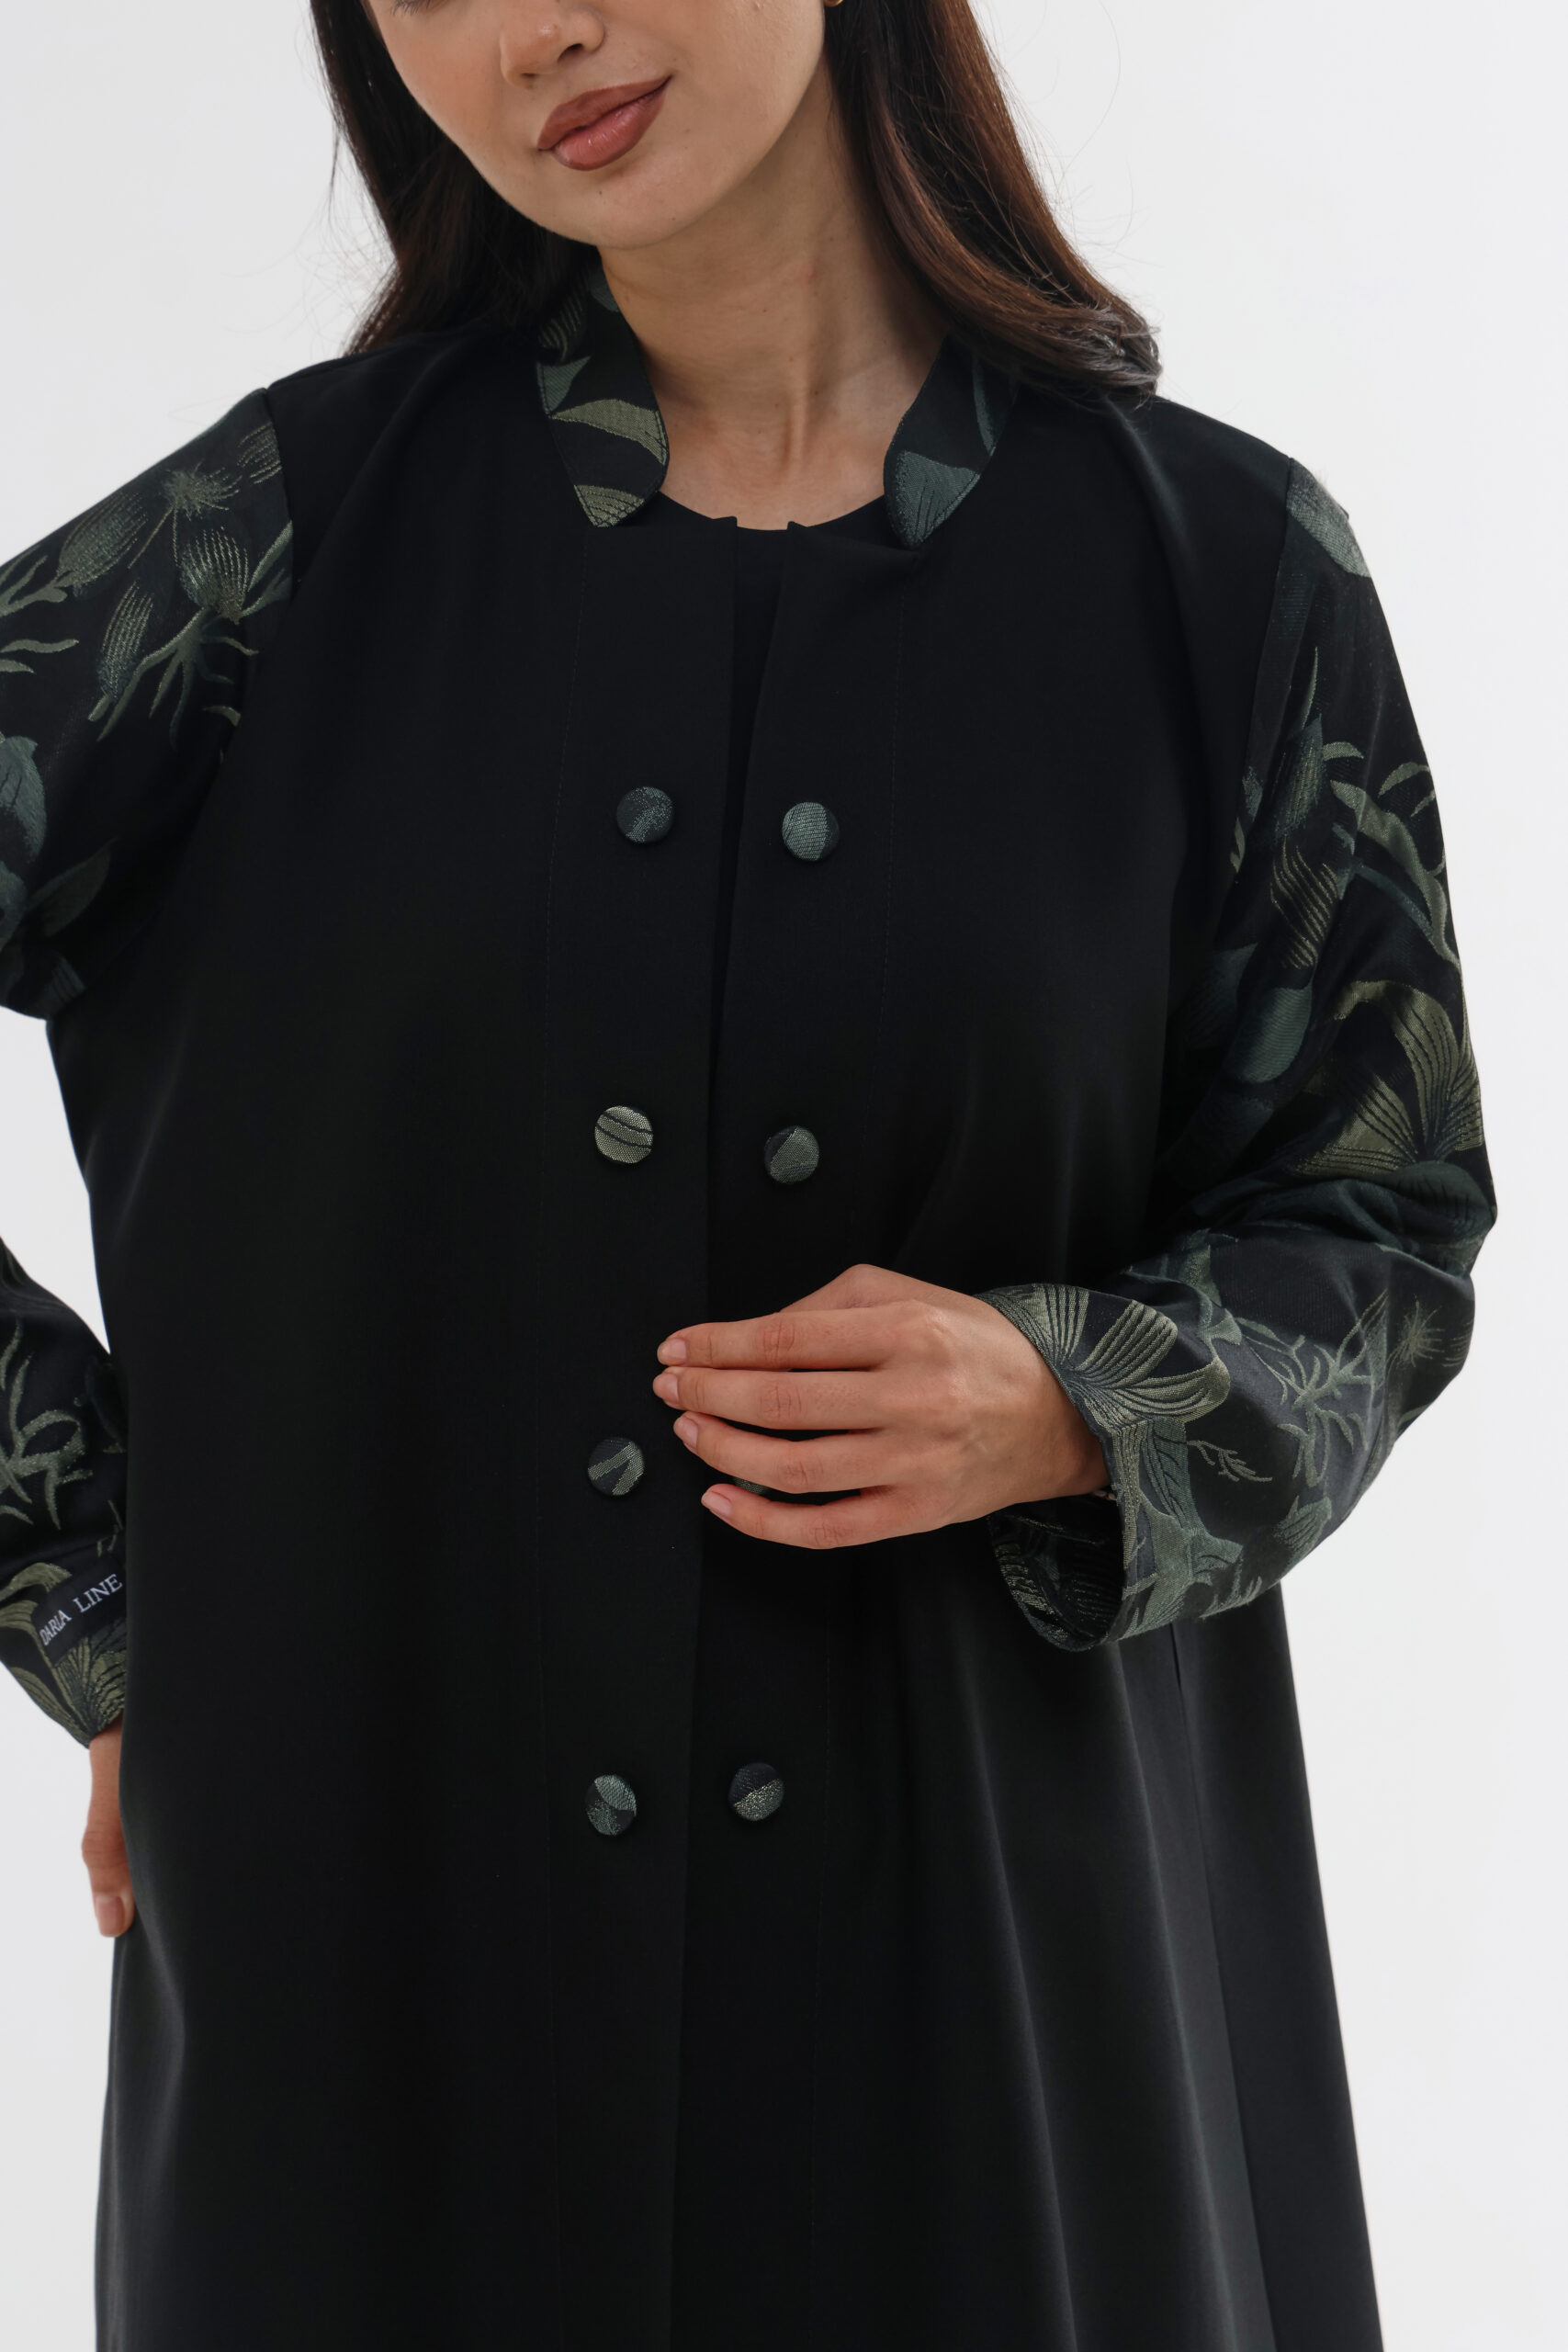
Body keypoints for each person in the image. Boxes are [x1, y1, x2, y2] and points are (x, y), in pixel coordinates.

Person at [0, 0, 1495, 2345]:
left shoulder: (1217, 578)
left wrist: (1071, 1392)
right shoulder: (264, 559)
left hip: (1000, 2017)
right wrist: (98, 1588)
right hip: (376, 2015)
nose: (533, 33)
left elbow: (1380, 1219)